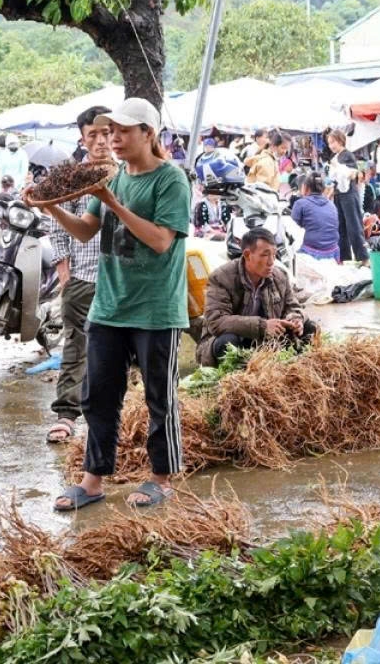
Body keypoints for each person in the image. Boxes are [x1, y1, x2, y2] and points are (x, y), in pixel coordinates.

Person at [45, 98, 190, 512]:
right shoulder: (114, 177)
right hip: (108, 306)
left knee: (159, 398)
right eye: (112, 131)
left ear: (149, 133)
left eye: (124, 131)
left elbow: (161, 241)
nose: (114, 138)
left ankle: (162, 478)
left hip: (155, 309)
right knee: (98, 396)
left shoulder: (171, 180)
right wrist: (50, 206)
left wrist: (112, 202)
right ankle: (92, 481)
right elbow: (85, 231)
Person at [44, 106, 112, 445]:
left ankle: (119, 415)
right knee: (76, 346)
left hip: (122, 280)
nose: (100, 141)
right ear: (83, 140)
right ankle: (67, 414)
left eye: (106, 133)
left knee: (124, 349)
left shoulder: (129, 173)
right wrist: (64, 271)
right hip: (83, 276)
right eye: (92, 135)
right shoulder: (73, 177)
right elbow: (57, 226)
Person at [196, 228, 316, 366]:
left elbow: (292, 306)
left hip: (267, 343)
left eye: (274, 254)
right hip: (238, 339)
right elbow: (216, 321)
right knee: (227, 342)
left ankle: (297, 369)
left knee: (310, 328)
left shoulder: (279, 276)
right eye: (265, 255)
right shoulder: (222, 277)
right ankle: (236, 376)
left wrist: (295, 319)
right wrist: (262, 326)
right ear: (247, 255)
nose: (271, 262)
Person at [326, 129, 369, 263]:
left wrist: (339, 168)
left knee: (354, 226)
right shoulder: (335, 158)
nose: (331, 146)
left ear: (340, 140)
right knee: (341, 227)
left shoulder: (347, 155)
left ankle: (363, 257)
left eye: (333, 142)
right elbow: (334, 180)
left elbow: (352, 174)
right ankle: (344, 257)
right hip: (338, 195)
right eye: (329, 143)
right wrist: (329, 194)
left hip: (349, 194)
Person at [291, 172, 339, 261]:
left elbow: (292, 231)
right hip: (333, 253)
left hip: (309, 254)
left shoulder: (300, 204)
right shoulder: (331, 205)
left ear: (305, 187)